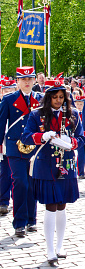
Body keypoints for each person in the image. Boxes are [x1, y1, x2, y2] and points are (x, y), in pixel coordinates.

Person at [21, 80, 85, 266]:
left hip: (66, 163)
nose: (58, 100)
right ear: (48, 98)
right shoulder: (36, 115)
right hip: (46, 165)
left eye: (61, 97)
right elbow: (26, 137)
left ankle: (59, 245)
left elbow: (81, 137)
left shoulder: (73, 115)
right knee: (50, 205)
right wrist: (42, 136)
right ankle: (49, 249)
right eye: (54, 97)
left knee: (62, 205)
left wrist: (71, 142)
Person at [0, 67, 43, 237]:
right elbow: (1, 123)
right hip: (14, 147)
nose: (27, 82)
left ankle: (31, 220)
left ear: (34, 80)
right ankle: (19, 222)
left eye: (30, 79)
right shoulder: (9, 100)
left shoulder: (40, 99)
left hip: (34, 148)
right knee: (20, 183)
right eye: (23, 79)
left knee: (32, 184)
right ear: (17, 81)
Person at [0, 80, 17, 215]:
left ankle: (14, 199)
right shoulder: (4, 102)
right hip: (4, 144)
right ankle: (4, 201)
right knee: (5, 173)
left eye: (11, 89)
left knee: (17, 175)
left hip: (16, 144)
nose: (8, 92)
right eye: (6, 89)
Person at [74, 96, 85, 180]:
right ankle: (81, 172)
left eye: (81, 104)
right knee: (81, 154)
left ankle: (77, 166)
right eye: (78, 104)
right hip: (78, 136)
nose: (79, 106)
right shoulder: (74, 113)